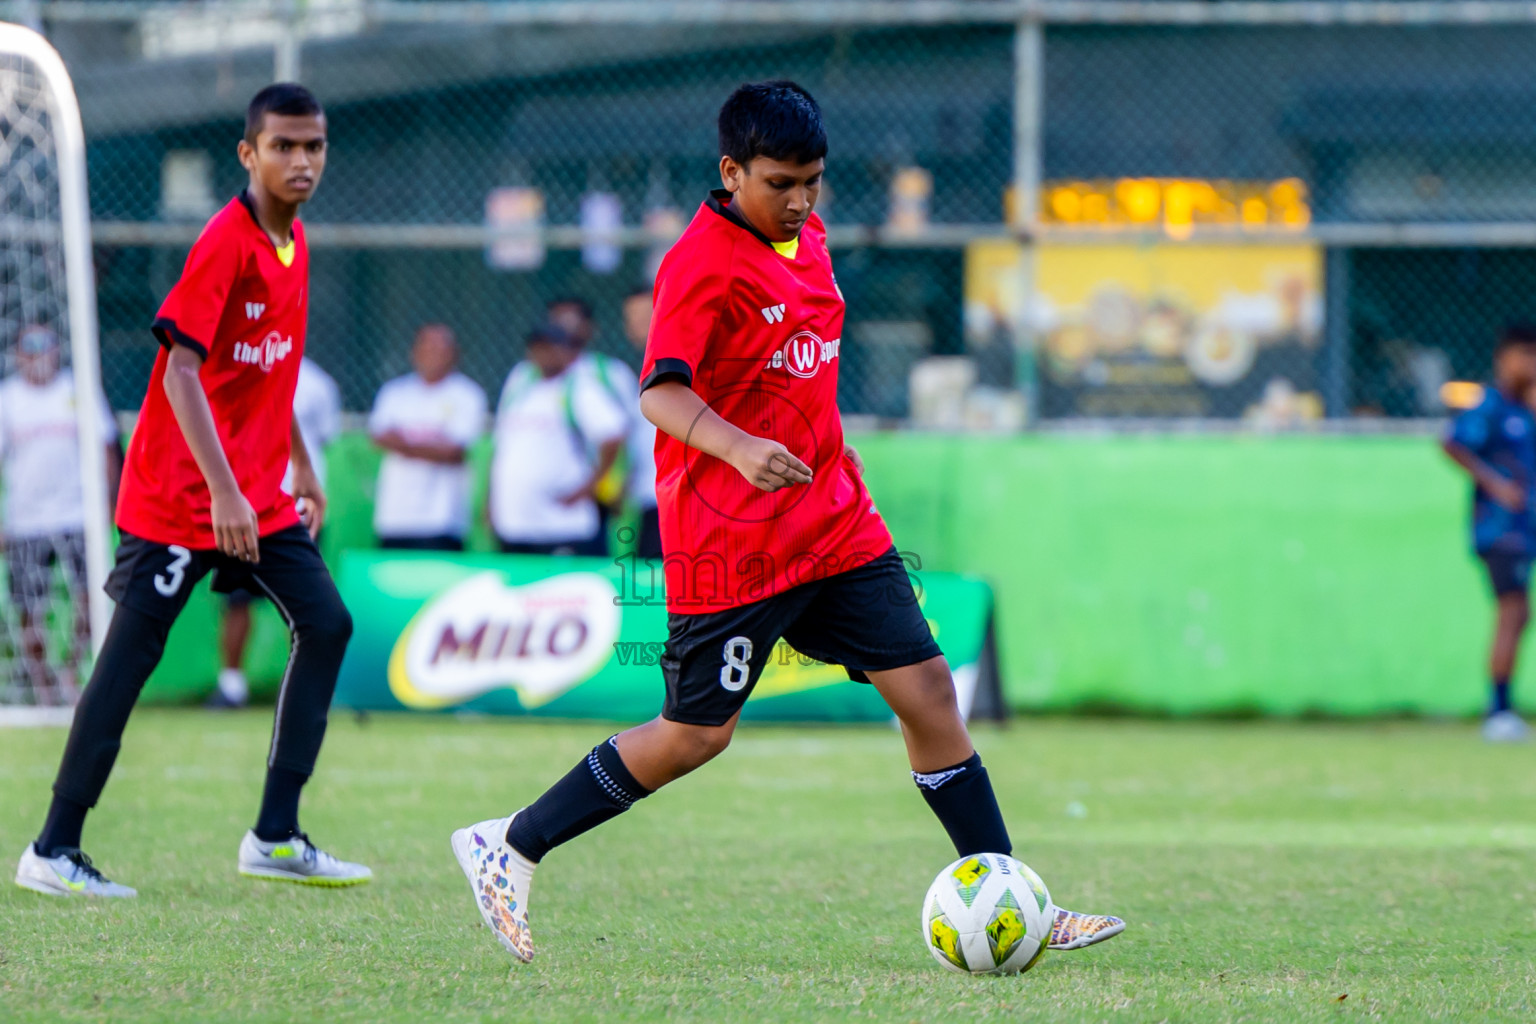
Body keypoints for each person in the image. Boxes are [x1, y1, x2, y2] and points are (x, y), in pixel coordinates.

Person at [449, 80, 1124, 961]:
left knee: (928, 694)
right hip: (732, 543)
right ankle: (511, 844)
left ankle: (1012, 895)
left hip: (835, 524)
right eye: (780, 182)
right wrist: (735, 448)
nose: (801, 200)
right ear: (731, 172)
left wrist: (829, 447)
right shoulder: (699, 263)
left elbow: (798, 364)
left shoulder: (806, 237)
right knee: (697, 735)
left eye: (813, 181)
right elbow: (661, 391)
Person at [14, 83, 370, 899]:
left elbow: (269, 372)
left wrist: (302, 467)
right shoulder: (227, 241)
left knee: (326, 622)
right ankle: (53, 848)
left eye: (313, 145)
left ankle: (275, 835)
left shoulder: (297, 241)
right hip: (182, 495)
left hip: (254, 492)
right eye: (283, 145)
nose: (301, 160)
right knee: (130, 664)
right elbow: (180, 370)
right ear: (249, 154)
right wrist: (223, 493)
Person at [210, 355, 341, 708]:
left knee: (304, 606)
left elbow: (322, 441)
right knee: (237, 598)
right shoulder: (241, 368)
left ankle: (301, 689)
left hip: (297, 510)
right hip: (246, 507)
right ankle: (232, 685)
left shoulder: (318, 383)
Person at [0, 325, 121, 706]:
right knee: (28, 607)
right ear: (18, 355)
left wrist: (109, 505)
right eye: (29, 349)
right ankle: (42, 684)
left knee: (91, 595)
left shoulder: (77, 390)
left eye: (45, 348)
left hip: (75, 516)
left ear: (57, 352)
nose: (38, 356)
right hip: (25, 521)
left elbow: (105, 449)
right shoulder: (8, 399)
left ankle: (72, 670)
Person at [1441, 323, 1536, 742]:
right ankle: (1497, 713)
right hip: (1500, 532)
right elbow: (1452, 443)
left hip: (1525, 529)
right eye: (1526, 355)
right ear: (1505, 358)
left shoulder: (1525, 409)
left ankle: (1501, 708)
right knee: (1512, 612)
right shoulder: (1491, 405)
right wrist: (1496, 486)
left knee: (1520, 614)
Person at [488, 323, 626, 555]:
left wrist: (589, 487)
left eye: (550, 347)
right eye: (538, 348)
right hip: (514, 523)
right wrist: (491, 503)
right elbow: (503, 448)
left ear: (566, 351)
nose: (544, 354)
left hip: (563, 525)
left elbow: (612, 435)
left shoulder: (580, 387)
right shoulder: (520, 384)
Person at [369, 324, 487, 551]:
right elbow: (379, 438)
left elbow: (454, 452)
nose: (432, 354)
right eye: (427, 347)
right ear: (414, 352)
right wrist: (432, 446)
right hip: (394, 519)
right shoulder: (394, 392)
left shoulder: (467, 395)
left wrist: (403, 443)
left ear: (455, 354)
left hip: (442, 520)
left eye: (440, 348)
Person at [547, 296, 635, 551]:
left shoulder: (612, 372)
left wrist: (621, 482)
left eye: (572, 320)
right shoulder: (529, 374)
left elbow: (632, 432)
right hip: (553, 496)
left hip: (604, 491)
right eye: (557, 320)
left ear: (590, 328)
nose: (564, 327)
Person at [621, 286, 662, 559]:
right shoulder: (624, 376)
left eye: (646, 316)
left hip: (685, 498)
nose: (640, 326)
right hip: (646, 502)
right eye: (633, 319)